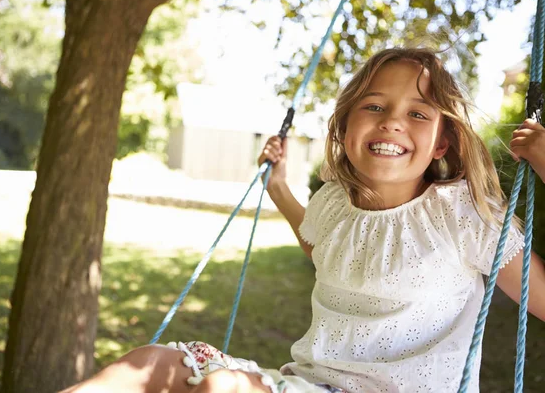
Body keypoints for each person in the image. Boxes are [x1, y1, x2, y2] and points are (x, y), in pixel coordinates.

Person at [61, 48, 545, 393]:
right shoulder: (334, 204)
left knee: (224, 389)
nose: (392, 121)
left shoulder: (463, 215)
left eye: (418, 113)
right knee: (146, 365)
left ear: (442, 144)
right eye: (373, 106)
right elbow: (323, 250)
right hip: (308, 384)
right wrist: (278, 189)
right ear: (346, 125)